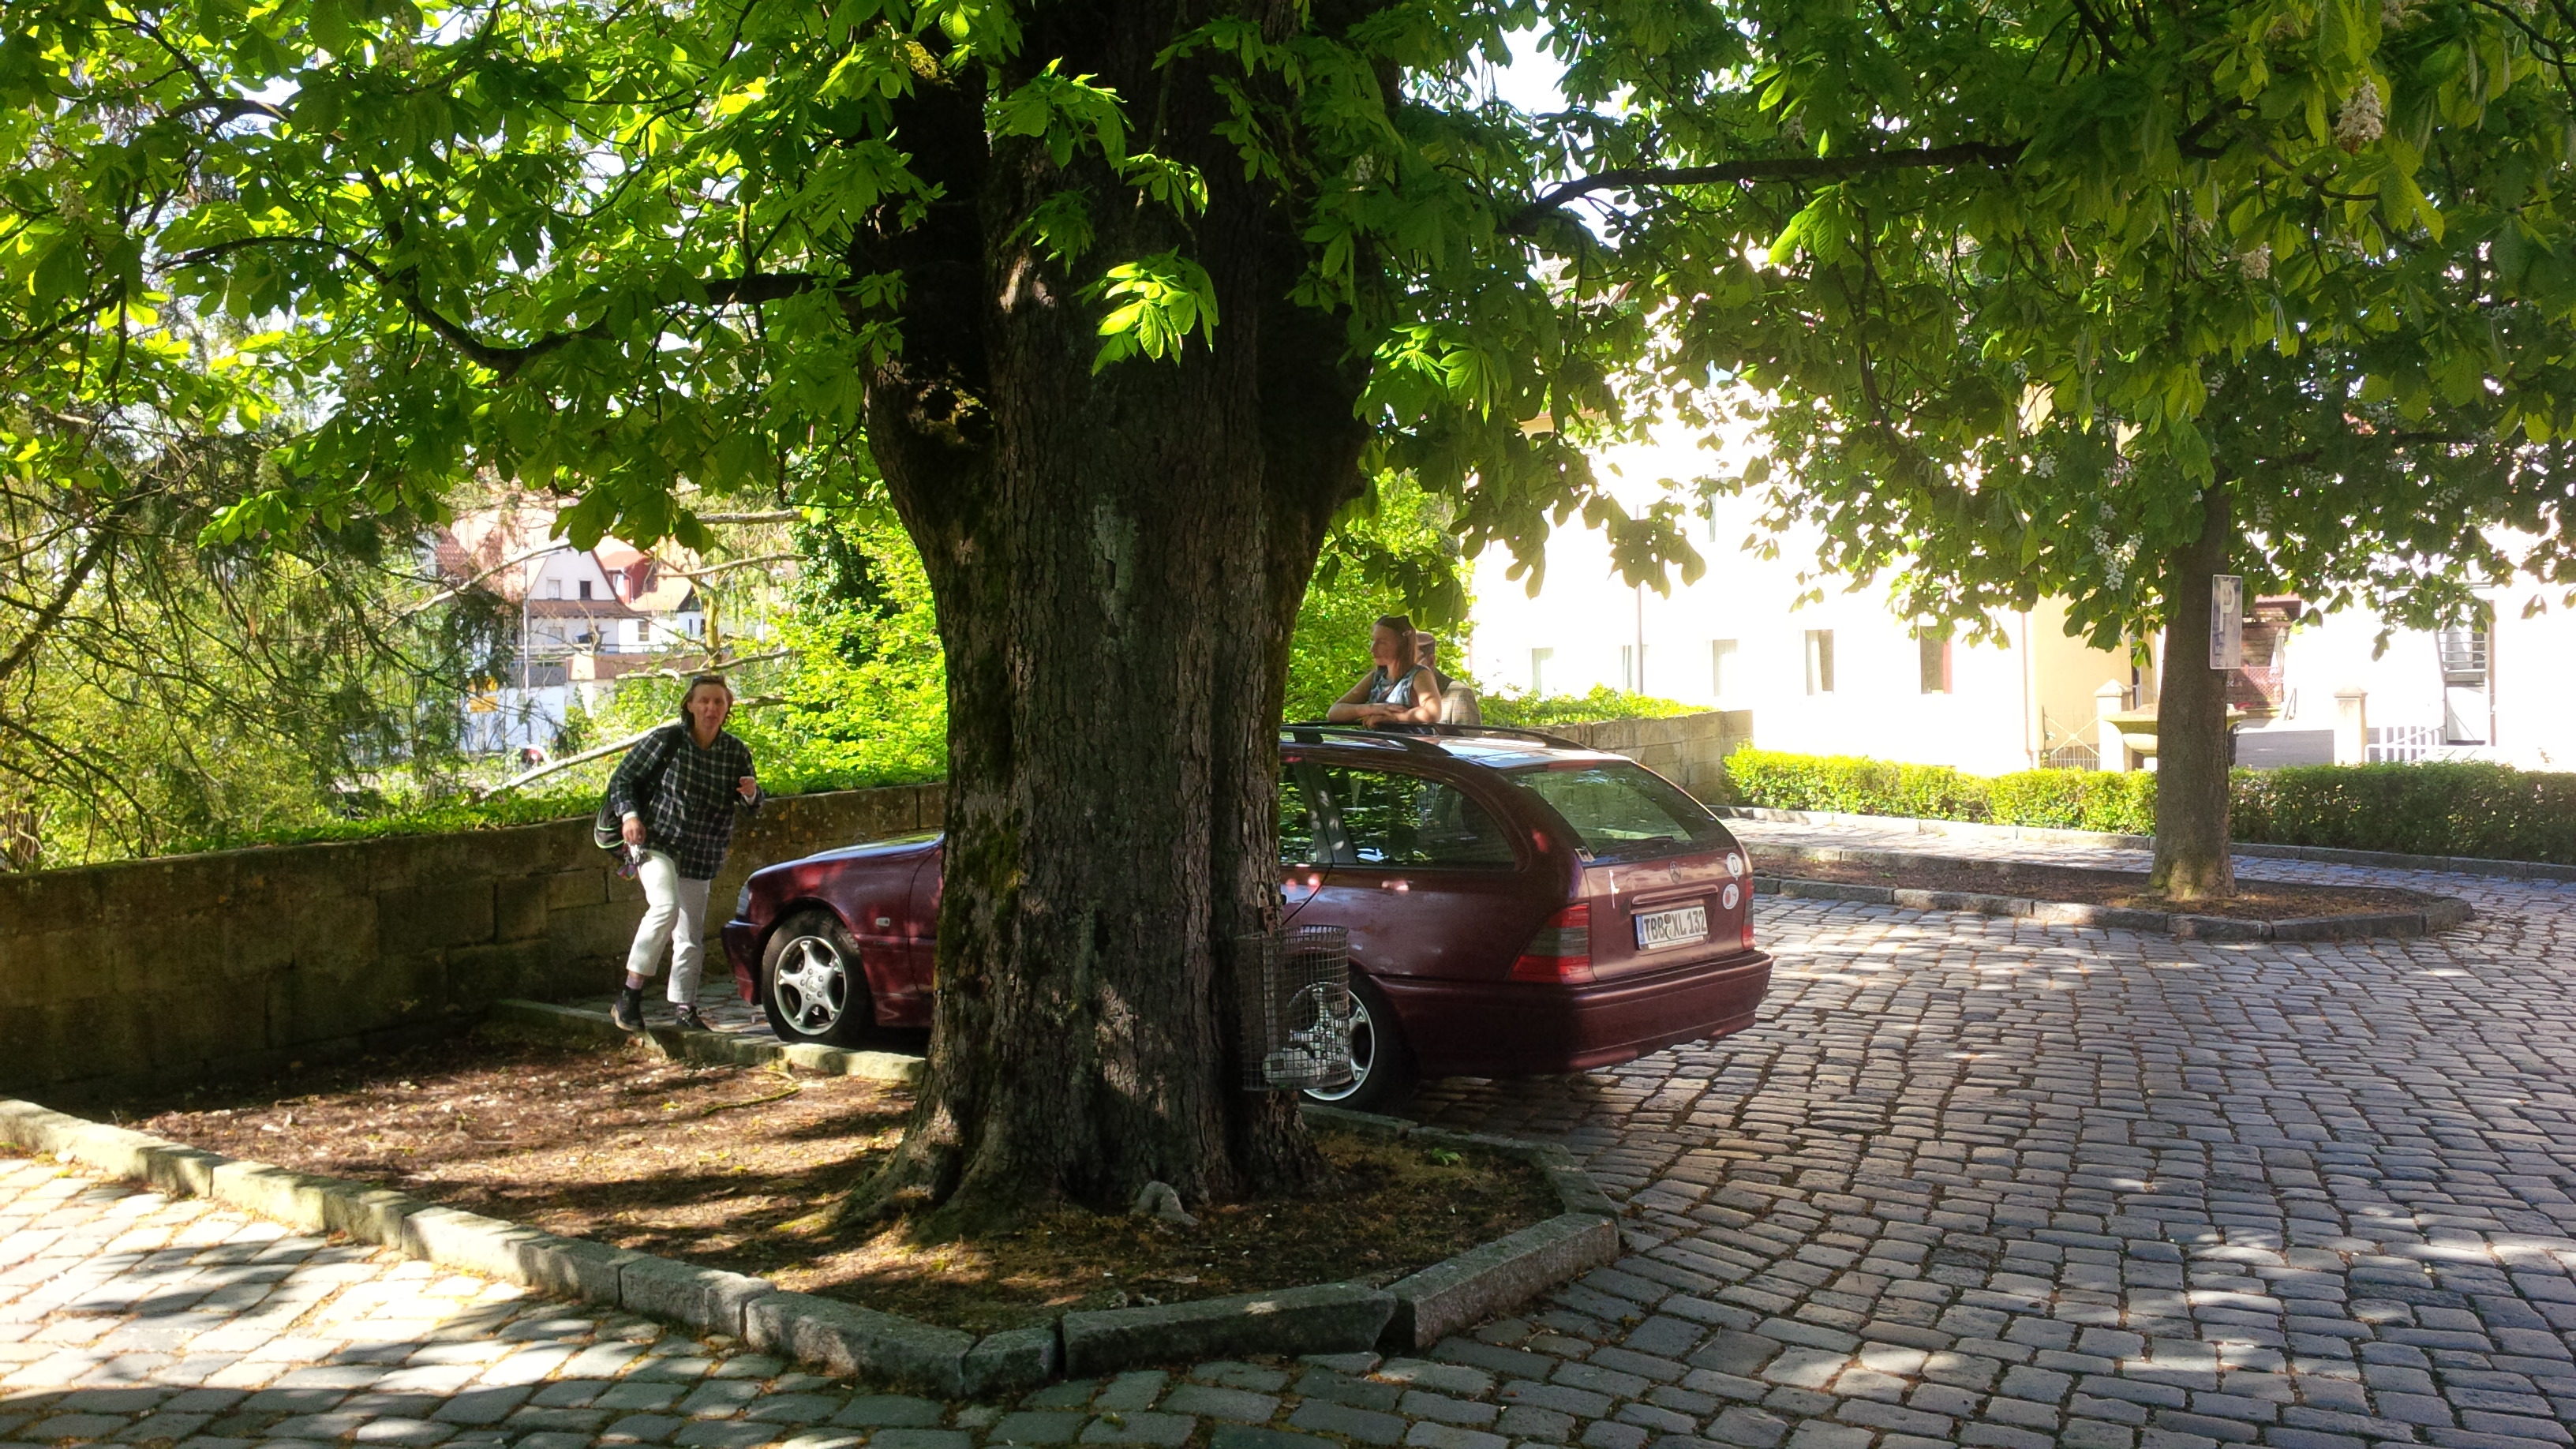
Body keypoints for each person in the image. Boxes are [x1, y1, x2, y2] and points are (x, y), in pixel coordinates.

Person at [607, 673, 761, 1032]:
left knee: (690, 936)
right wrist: (630, 816)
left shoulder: (736, 752)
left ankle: (684, 1009)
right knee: (665, 906)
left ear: (728, 708)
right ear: (690, 705)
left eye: (719, 702)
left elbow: (752, 805)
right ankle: (629, 996)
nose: (711, 708)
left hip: (703, 851)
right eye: (704, 701)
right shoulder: (667, 740)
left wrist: (752, 793)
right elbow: (622, 779)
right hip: (657, 842)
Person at [1327, 615, 1445, 727]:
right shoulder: (1376, 677)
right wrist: (1374, 708)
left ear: (1402, 645)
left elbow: (1433, 713)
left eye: (1382, 643)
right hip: (1376, 742)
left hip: (1408, 742)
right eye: (1373, 641)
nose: (1372, 649)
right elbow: (1334, 712)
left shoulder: (1419, 675)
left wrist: (1394, 717)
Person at [1417, 633, 1482, 726]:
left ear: (1431, 661)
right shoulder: (1400, 692)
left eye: (1411, 663)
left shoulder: (1459, 695)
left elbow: (1468, 734)